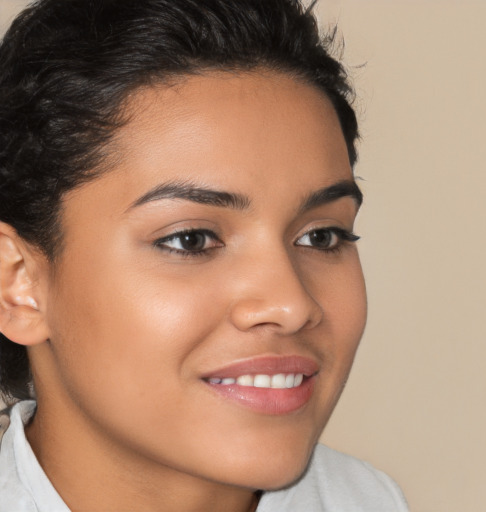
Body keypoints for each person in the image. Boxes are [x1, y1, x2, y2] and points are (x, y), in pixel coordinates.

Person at [0, 0, 409, 510]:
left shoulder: (369, 500)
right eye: (191, 239)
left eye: (322, 236)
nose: (290, 304)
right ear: (17, 284)